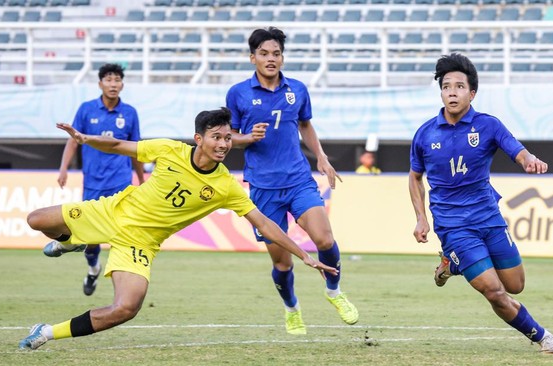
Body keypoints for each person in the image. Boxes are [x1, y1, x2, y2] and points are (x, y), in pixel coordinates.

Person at [18, 108, 337, 351]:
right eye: (217, 137)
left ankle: (45, 331)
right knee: (38, 221)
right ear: (199, 138)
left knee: (126, 308)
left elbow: (265, 223)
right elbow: (118, 143)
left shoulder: (226, 185)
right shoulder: (170, 150)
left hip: (140, 243)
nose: (224, 144)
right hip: (111, 212)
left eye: (228, 138)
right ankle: (71, 242)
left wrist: (304, 255)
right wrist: (85, 139)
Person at [408, 53, 553, 354]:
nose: (452, 92)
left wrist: (529, 160)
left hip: (489, 218)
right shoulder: (425, 134)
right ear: (441, 92)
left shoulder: (488, 126)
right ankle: (542, 336)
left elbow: (517, 150)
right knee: (494, 291)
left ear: (472, 93)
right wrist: (421, 218)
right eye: (446, 86)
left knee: (515, 285)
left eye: (459, 86)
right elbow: (414, 178)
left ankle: (452, 265)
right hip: (453, 225)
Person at [225, 27, 358, 335]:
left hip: (298, 180)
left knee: (325, 239)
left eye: (276, 53)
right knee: (283, 263)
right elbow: (227, 137)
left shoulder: (296, 89)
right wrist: (246, 137)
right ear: (252, 57)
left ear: (282, 57)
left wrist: (322, 158)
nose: (271, 59)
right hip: (262, 188)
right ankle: (291, 309)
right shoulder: (238, 94)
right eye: (264, 53)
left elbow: (305, 125)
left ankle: (334, 291)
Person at [53, 63, 145, 297]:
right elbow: (73, 140)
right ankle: (93, 269)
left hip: (121, 182)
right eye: (109, 80)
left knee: (123, 232)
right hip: (93, 182)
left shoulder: (130, 113)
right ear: (100, 84)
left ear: (122, 85)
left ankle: (124, 287)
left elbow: (136, 149)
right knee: (91, 239)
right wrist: (63, 168)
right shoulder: (86, 109)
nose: (113, 84)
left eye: (117, 80)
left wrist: (142, 178)